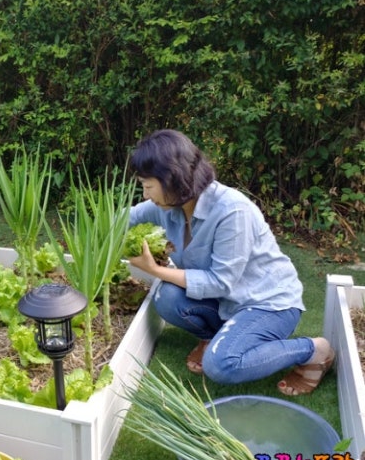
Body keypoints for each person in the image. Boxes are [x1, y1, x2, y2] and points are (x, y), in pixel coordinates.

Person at [126, 129, 334, 396]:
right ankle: (214, 338)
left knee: (221, 365)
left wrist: (155, 270)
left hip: (268, 304)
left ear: (172, 179)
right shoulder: (169, 206)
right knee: (166, 297)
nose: (145, 195)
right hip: (226, 301)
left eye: (148, 186)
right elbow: (126, 218)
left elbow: (220, 282)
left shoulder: (231, 210)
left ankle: (313, 350)